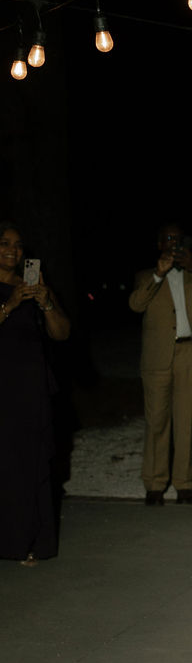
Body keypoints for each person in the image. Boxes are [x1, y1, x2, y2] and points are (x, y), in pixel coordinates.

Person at [128, 224, 192, 505]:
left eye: (178, 239)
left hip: (190, 353)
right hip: (158, 356)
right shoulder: (146, 276)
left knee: (187, 421)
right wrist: (158, 274)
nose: (173, 243)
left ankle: (184, 484)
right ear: (159, 244)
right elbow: (135, 305)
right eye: (168, 238)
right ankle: (155, 483)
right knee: (157, 421)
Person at [0, 222, 71, 564]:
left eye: (18, 245)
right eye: (4, 243)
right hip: (3, 388)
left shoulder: (33, 286)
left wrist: (45, 303)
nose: (12, 250)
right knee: (6, 464)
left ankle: (33, 542)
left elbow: (62, 333)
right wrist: (9, 304)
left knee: (34, 463)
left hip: (32, 387)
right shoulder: (13, 294)